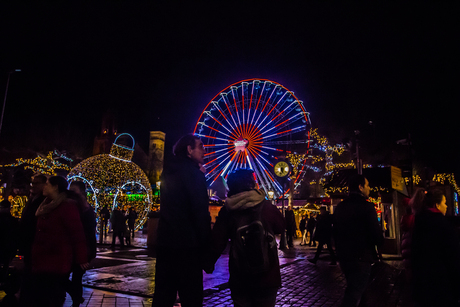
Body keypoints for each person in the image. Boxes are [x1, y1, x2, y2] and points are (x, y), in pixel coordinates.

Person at [208, 169, 285, 307]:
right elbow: (281, 227)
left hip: (240, 275)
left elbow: (218, 241)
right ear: (252, 184)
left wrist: (208, 263)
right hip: (268, 275)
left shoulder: (228, 211)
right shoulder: (266, 207)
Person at [152, 134, 212, 307]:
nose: (204, 150)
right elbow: (200, 212)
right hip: (188, 247)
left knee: (163, 296)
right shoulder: (194, 175)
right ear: (189, 150)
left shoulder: (168, 171)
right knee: (191, 298)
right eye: (200, 146)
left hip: (165, 244)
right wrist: (206, 247)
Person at [29, 176, 88, 307]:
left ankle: (75, 297)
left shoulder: (67, 206)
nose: (44, 187)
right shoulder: (46, 204)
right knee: (42, 294)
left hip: (56, 258)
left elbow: (76, 233)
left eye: (47, 184)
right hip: (42, 258)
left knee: (51, 295)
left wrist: (82, 257)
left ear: (55, 187)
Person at [333, 174, 384, 307]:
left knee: (359, 290)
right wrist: (379, 245)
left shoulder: (340, 207)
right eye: (367, 186)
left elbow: (335, 231)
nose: (369, 188)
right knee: (354, 292)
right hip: (362, 255)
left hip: (344, 256)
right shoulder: (367, 207)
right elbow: (374, 232)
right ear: (360, 187)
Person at [411, 190, 460, 306]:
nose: (447, 206)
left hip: (423, 284)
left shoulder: (419, 222)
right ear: (437, 205)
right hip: (442, 284)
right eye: (444, 203)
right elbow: (453, 258)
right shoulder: (444, 225)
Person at [66, 181, 97, 307]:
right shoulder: (77, 206)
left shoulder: (84, 209)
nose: (71, 193)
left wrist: (86, 254)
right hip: (76, 248)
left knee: (76, 277)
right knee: (72, 277)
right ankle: (77, 298)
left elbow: (87, 233)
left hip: (83, 248)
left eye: (74, 190)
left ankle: (76, 299)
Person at [18, 174, 47, 306]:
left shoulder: (43, 201)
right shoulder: (33, 199)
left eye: (36, 183)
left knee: (32, 273)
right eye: (32, 183)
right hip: (29, 242)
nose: (33, 186)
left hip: (34, 242)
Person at [0, 200, 19, 286]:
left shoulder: (9, 221)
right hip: (9, 248)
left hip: (6, 247)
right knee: (6, 264)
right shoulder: (13, 221)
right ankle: (3, 278)